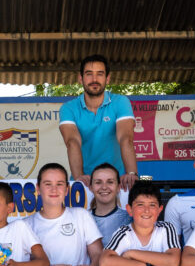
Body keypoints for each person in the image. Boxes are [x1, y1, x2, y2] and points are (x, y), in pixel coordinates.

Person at [58, 55, 139, 191]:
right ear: (80, 78)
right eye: (89, 74)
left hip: (115, 183)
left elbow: (126, 138)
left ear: (107, 78)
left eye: (100, 74)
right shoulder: (68, 108)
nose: (94, 80)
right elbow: (72, 142)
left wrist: (132, 174)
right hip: (85, 183)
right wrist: (79, 178)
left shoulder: (120, 102)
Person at [25, 163, 103, 266]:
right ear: (38, 189)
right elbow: (23, 262)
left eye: (59, 184)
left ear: (67, 189)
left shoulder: (81, 215)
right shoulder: (26, 224)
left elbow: (97, 254)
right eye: (48, 184)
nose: (54, 189)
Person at [100, 182, 181, 266]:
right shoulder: (124, 232)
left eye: (152, 205)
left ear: (159, 210)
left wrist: (132, 253)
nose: (146, 210)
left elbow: (173, 262)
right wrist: (146, 265)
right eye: (140, 205)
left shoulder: (166, 228)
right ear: (129, 210)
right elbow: (105, 261)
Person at [89, 163, 131, 244]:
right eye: (98, 182)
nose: (104, 187)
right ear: (91, 188)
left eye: (110, 182)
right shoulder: (83, 219)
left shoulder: (130, 219)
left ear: (118, 187)